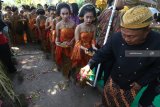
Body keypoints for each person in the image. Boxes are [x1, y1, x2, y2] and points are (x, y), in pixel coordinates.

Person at [80, 6, 160, 107]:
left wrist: (141, 82)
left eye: (131, 36)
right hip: (113, 78)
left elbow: (157, 67)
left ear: (147, 31)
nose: (126, 39)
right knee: (106, 97)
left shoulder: (156, 43)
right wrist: (89, 65)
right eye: (124, 34)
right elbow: (102, 53)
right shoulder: (117, 37)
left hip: (132, 85)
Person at [71, 3, 97, 82]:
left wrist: (94, 46)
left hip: (89, 50)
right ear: (83, 17)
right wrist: (85, 48)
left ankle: (85, 79)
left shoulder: (94, 27)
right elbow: (77, 42)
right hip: (80, 49)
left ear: (93, 18)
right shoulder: (79, 27)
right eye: (87, 17)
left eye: (91, 17)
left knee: (88, 65)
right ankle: (78, 79)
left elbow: (93, 40)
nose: (89, 19)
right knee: (79, 65)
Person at [55, 2, 75, 77]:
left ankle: (69, 73)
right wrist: (57, 42)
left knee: (70, 61)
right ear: (60, 14)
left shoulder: (73, 23)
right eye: (63, 14)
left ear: (69, 13)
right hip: (62, 47)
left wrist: (71, 41)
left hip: (71, 46)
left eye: (67, 13)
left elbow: (75, 36)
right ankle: (65, 74)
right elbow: (57, 36)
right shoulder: (58, 25)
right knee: (64, 61)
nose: (65, 16)